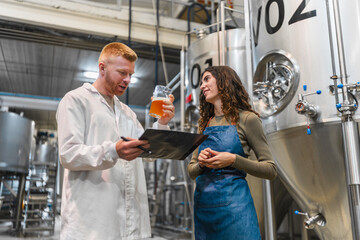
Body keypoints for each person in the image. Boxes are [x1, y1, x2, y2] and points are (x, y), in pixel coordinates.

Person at [56, 42, 175, 240]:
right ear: (102, 68)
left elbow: (149, 153)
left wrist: (162, 123)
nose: (127, 80)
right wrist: (113, 151)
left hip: (127, 223)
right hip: (90, 224)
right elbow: (68, 154)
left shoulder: (126, 113)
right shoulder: (76, 100)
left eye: (131, 74)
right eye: (122, 72)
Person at [187, 66, 277, 240]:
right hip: (204, 208)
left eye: (207, 79)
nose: (202, 86)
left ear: (223, 82)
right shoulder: (204, 124)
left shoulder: (248, 119)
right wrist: (201, 163)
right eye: (201, 82)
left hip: (236, 208)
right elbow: (191, 171)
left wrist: (234, 160)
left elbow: (271, 169)